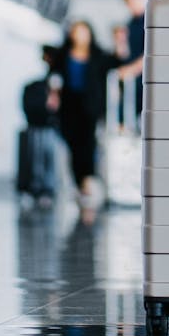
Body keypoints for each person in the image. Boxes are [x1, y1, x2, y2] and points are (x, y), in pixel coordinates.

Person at [52, 21, 122, 206]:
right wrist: (53, 95)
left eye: (84, 33)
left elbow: (117, 61)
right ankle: (79, 181)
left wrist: (119, 41)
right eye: (77, 32)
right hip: (69, 106)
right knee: (73, 145)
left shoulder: (98, 55)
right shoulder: (63, 55)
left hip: (90, 106)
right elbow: (54, 77)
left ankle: (87, 181)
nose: (81, 37)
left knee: (88, 143)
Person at [115, 0, 148, 124]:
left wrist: (132, 69)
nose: (127, 2)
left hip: (148, 82)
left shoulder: (151, 19)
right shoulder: (130, 24)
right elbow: (125, 55)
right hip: (133, 84)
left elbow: (154, 52)